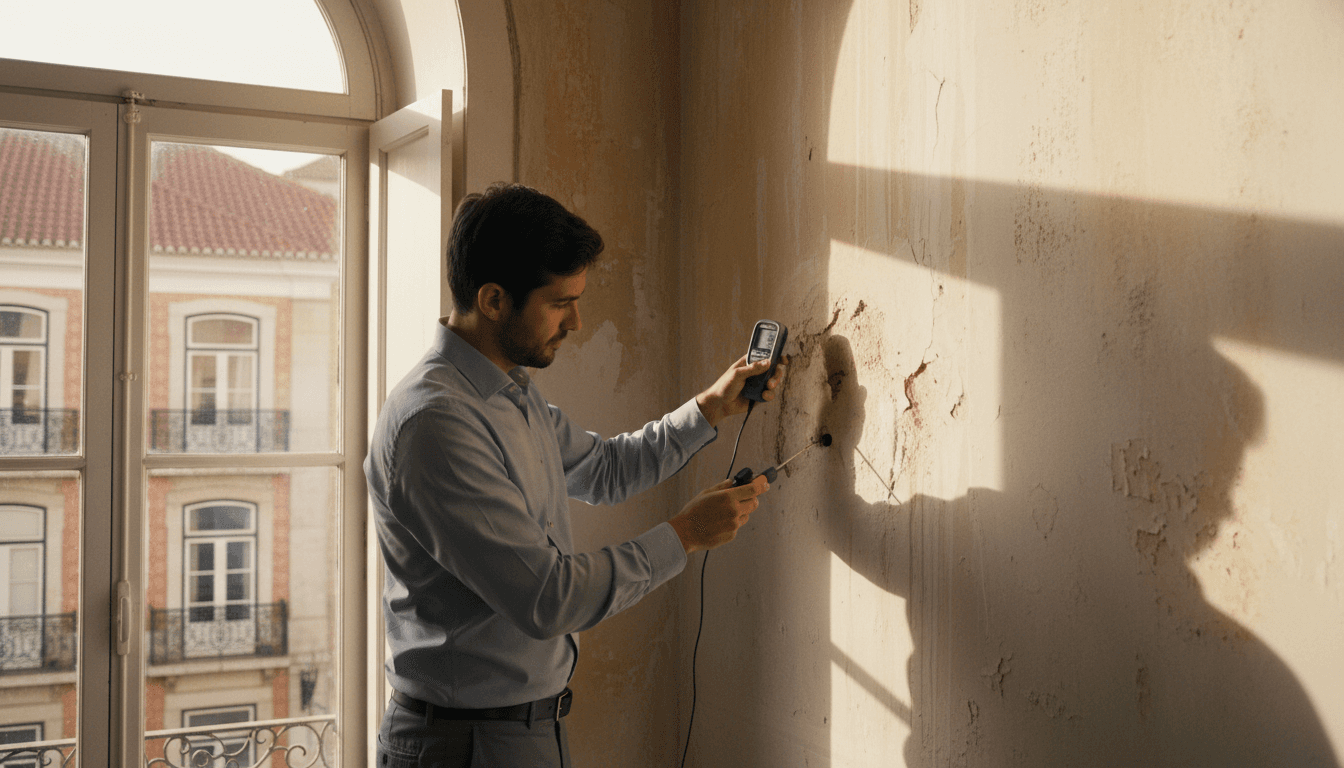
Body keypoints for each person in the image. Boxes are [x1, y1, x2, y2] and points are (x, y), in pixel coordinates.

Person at [365, 182, 785, 767]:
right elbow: (548, 597)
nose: (577, 321)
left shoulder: (508, 393)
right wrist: (685, 534)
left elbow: (606, 469)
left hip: (525, 730)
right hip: (464, 746)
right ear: (492, 300)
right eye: (560, 303)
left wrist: (712, 405)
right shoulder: (435, 425)